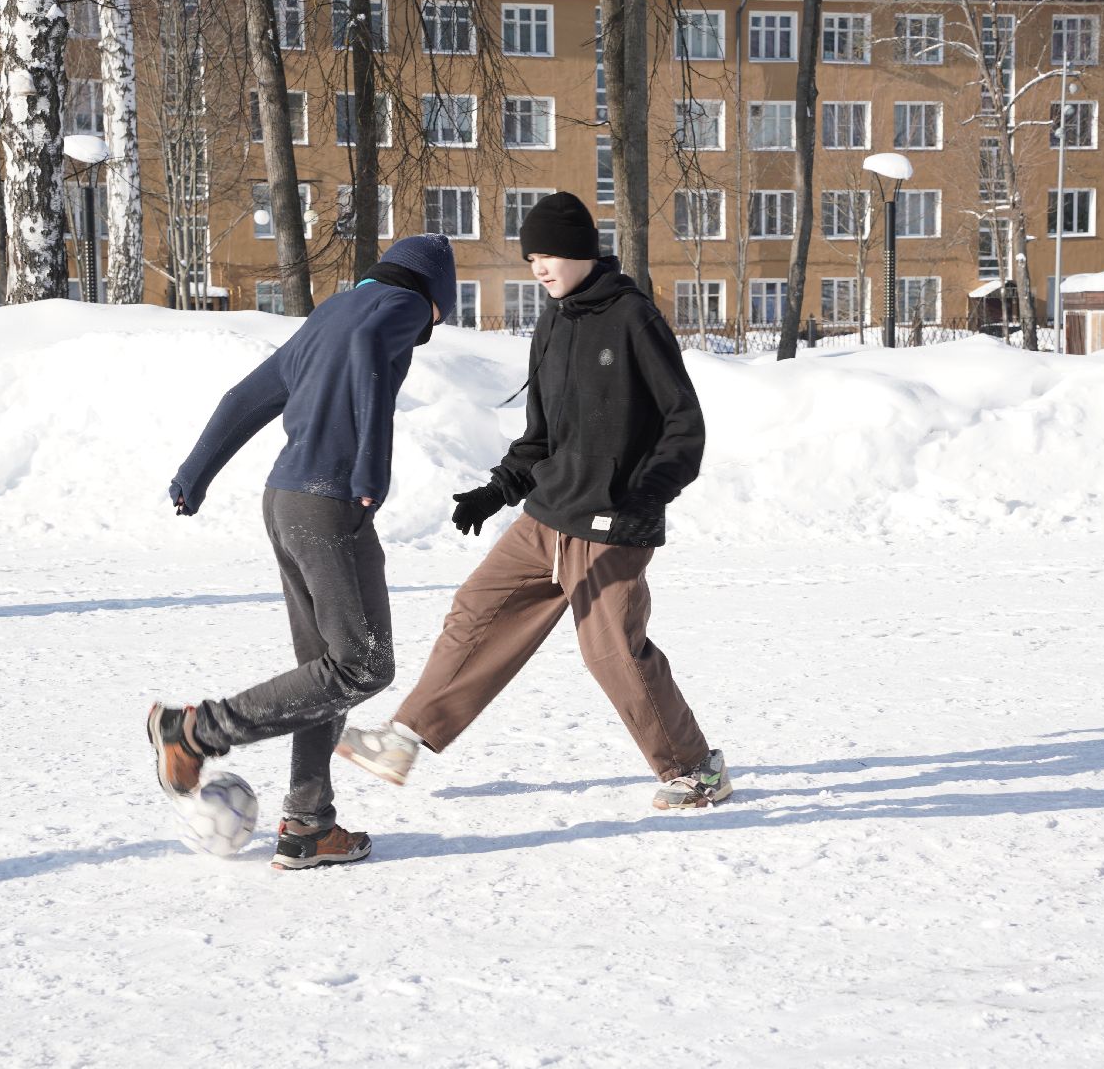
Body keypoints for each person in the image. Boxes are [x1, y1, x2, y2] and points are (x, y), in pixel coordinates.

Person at [338, 191, 731, 810]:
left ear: (580, 253)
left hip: (611, 522)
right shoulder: (552, 321)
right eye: (531, 259)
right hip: (546, 515)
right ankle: (402, 739)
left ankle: (693, 769)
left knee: (612, 654)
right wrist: (499, 489)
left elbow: (685, 425)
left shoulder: (634, 319)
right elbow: (543, 434)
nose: (539, 268)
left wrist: (645, 496)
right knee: (476, 611)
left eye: (548, 255)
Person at [147, 234, 458, 870]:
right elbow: (375, 350)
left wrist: (195, 472)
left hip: (284, 499)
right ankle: (199, 729)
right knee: (362, 666)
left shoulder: (330, 315)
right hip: (332, 501)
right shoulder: (400, 305)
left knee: (325, 670)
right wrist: (372, 470)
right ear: (433, 299)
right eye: (439, 317)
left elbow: (246, 397)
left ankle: (309, 824)